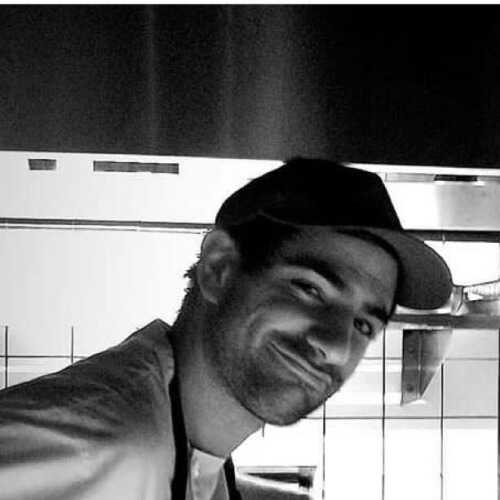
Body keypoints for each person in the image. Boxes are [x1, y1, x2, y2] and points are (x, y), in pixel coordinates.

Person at [0, 158, 452, 500]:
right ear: (219, 269)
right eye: (310, 289)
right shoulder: (93, 450)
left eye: (364, 324)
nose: (336, 345)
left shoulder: (195, 456)